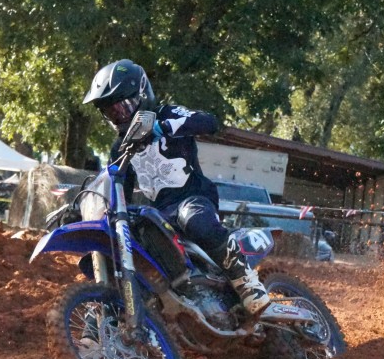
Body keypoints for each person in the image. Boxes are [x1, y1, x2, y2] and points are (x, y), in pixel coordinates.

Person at [82, 59, 270, 315]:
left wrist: (163, 127)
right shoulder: (120, 148)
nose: (120, 115)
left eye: (123, 107)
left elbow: (209, 122)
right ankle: (117, 313)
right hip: (161, 214)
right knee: (128, 244)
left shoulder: (167, 114)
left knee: (194, 220)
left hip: (193, 197)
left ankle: (246, 281)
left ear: (142, 95)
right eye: (111, 112)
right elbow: (118, 191)